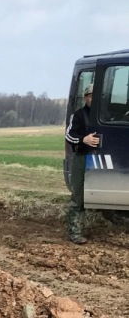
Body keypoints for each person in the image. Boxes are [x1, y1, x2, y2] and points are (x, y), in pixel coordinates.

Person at [65, 85, 100, 244]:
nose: (92, 99)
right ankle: (75, 232)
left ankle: (114, 220)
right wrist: (83, 139)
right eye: (90, 96)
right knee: (78, 196)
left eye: (95, 96)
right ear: (85, 97)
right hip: (82, 158)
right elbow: (69, 136)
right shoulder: (78, 115)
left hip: (101, 158)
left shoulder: (106, 114)